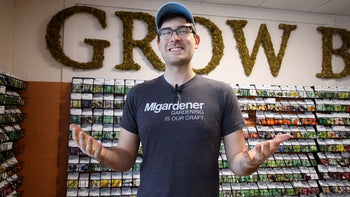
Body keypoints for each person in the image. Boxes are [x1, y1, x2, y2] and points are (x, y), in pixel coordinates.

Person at [70, 2, 292, 196]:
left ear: (196, 40)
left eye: (182, 30)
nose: (174, 37)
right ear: (159, 43)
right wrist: (103, 155)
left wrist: (251, 162)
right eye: (166, 32)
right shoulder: (138, 94)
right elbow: (125, 158)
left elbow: (237, 162)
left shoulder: (221, 93)